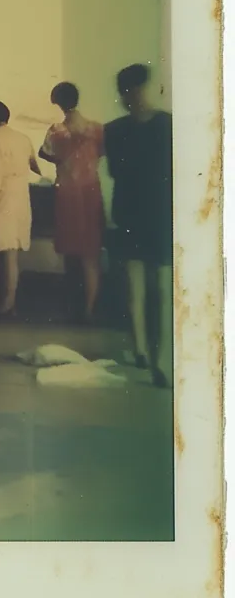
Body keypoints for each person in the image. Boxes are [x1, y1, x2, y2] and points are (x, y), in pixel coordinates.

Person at [104, 64, 172, 387]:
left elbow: (118, 171)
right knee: (152, 285)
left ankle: (148, 353)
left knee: (146, 286)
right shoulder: (165, 125)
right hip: (152, 210)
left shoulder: (116, 129)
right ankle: (149, 354)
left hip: (140, 209)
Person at [39, 82, 106, 321]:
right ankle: (90, 309)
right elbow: (102, 152)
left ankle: (72, 306)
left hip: (67, 193)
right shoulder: (96, 129)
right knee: (90, 254)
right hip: (90, 191)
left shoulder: (56, 131)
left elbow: (45, 153)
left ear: (58, 102)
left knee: (69, 253)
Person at [0, 100, 42, 317]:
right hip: (21, 196)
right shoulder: (23, 138)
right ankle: (10, 301)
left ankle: (6, 303)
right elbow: (36, 166)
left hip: (3, 196)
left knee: (3, 251)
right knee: (12, 251)